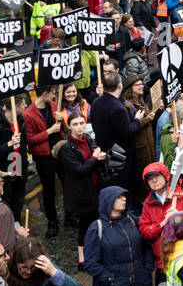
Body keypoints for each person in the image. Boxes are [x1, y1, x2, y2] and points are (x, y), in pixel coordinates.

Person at [83, 186, 154, 286]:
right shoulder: (97, 229)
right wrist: (111, 280)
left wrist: (146, 268)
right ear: (108, 201)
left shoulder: (132, 221)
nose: (124, 199)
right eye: (119, 197)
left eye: (124, 196)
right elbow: (91, 263)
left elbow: (146, 245)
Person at [58, 111, 106, 269]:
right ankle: (82, 259)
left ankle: (93, 252)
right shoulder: (67, 148)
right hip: (80, 194)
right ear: (69, 127)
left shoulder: (88, 139)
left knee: (94, 222)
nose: (79, 127)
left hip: (93, 189)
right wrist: (94, 158)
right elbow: (79, 170)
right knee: (85, 225)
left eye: (81, 123)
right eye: (75, 124)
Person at [20, 85, 62, 240]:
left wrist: (60, 122)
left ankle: (70, 215)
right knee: (49, 189)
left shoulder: (53, 106)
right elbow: (30, 139)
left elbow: (60, 129)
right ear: (45, 93)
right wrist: (49, 131)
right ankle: (53, 221)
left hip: (58, 150)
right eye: (53, 93)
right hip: (43, 156)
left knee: (66, 181)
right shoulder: (28, 114)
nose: (55, 96)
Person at [91, 72, 143, 193]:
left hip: (104, 153)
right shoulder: (118, 108)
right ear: (120, 86)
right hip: (119, 158)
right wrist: (137, 120)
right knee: (120, 191)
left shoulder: (95, 103)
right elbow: (128, 131)